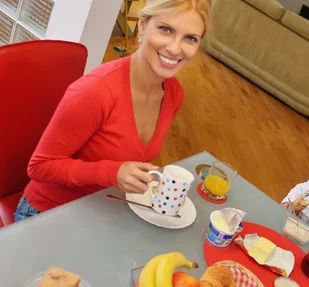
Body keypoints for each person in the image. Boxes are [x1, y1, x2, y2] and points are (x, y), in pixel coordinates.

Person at [14, 0, 211, 222]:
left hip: (104, 208)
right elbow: (39, 167)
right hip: (48, 213)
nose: (175, 48)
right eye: (165, 29)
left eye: (190, 38)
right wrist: (113, 173)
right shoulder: (96, 90)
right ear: (143, 26)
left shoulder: (174, 94)